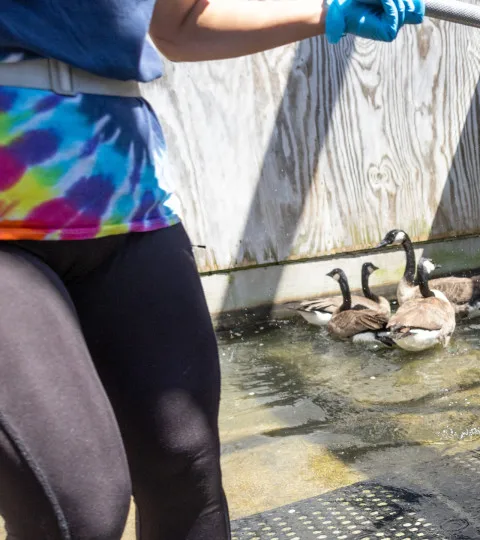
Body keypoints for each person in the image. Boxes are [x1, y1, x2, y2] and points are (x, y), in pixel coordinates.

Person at [0, 1, 423, 538]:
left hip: (126, 192)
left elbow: (179, 23)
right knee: (76, 506)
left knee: (187, 467)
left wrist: (327, 11)